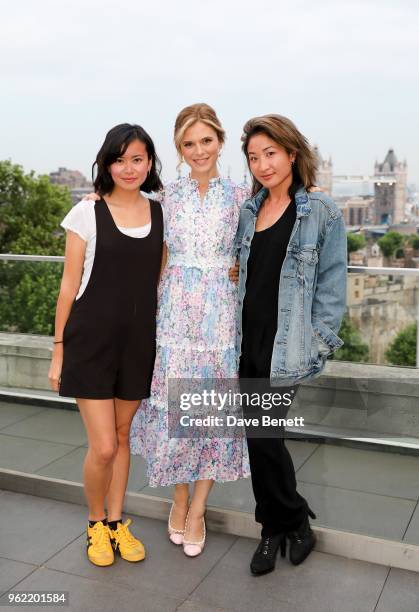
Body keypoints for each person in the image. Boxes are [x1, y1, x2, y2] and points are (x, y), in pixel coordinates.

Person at [130, 103, 250, 557]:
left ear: (220, 141)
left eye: (206, 140)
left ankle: (198, 508)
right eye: (188, 143)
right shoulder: (165, 198)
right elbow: (134, 230)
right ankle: (177, 500)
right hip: (173, 315)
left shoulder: (242, 197)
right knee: (174, 414)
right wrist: (92, 200)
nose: (199, 150)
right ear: (178, 149)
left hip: (220, 318)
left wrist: (239, 268)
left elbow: (259, 247)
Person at [232, 114, 347, 575]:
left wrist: (317, 342)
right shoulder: (248, 209)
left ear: (292, 153)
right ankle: (289, 523)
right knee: (260, 436)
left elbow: (333, 285)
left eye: (271, 153)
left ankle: (279, 525)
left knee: (263, 434)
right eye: (254, 157)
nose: (263, 164)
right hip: (246, 339)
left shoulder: (321, 211)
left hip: (287, 343)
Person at [48, 123, 164, 567]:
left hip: (138, 344)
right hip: (90, 344)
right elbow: (67, 286)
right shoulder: (85, 213)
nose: (128, 168)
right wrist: (59, 349)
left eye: (137, 159)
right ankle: (96, 524)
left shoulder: (161, 214)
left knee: (122, 437)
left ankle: (117, 523)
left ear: (149, 162)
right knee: (104, 447)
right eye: (119, 159)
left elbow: (161, 278)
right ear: (106, 163)